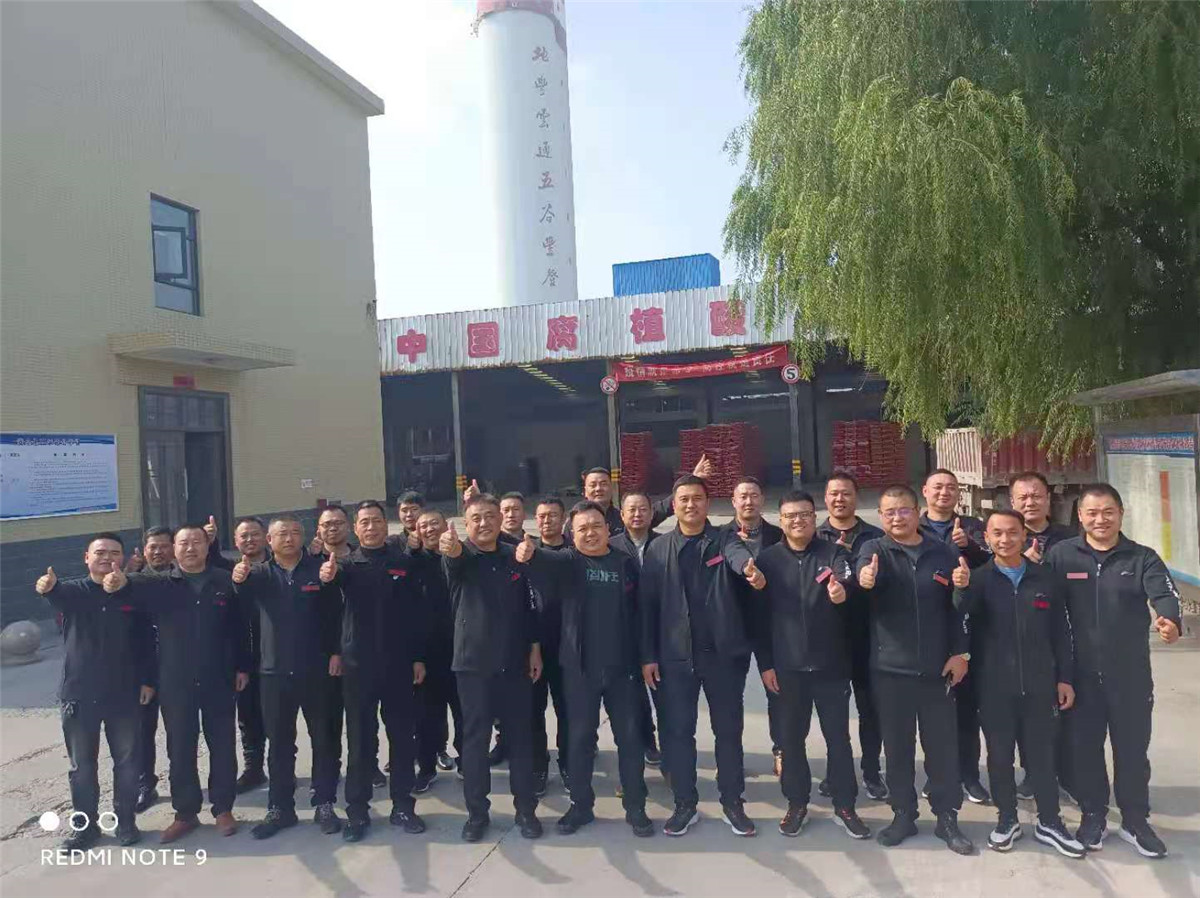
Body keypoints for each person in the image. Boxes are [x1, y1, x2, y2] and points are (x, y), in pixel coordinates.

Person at [1046, 483, 1182, 858]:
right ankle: (1093, 815)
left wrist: (1169, 620)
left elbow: (1165, 594)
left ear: (1121, 514)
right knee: (1085, 750)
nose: (1100, 519)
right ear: (1080, 516)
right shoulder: (1062, 556)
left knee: (1132, 752)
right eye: (1092, 512)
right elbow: (1041, 601)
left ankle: (1135, 821)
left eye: (1108, 512)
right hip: (1079, 677)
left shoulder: (1142, 557)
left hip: (1130, 676)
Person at [105, 525, 250, 843]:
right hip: (175, 679)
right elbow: (128, 592)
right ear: (174, 548)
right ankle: (185, 813)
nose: (190, 548)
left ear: (207, 546)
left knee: (222, 745)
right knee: (180, 747)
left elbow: (240, 628)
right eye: (183, 543)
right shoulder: (157, 584)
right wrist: (118, 582)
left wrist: (242, 666)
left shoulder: (224, 581)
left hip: (218, 677)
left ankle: (223, 809)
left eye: (197, 542)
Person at [517, 502, 654, 837]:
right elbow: (539, 558)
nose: (590, 533)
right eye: (582, 529)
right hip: (579, 670)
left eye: (596, 526)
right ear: (571, 534)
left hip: (623, 670)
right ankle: (580, 806)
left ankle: (636, 806)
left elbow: (643, 615)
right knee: (578, 740)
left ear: (608, 529)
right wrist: (527, 552)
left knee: (630, 740)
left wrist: (646, 657)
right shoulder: (568, 562)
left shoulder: (625, 564)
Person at [955, 509, 1084, 858]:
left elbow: (1062, 633)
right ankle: (1007, 819)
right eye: (997, 533)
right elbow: (961, 624)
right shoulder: (978, 580)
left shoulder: (1046, 578)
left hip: (1041, 686)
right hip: (994, 687)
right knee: (999, 757)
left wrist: (1065, 678)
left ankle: (1050, 821)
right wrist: (960, 592)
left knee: (1042, 755)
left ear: (1025, 536)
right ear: (986, 538)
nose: (1005, 539)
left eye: (1012, 532)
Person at [640, 474, 763, 837]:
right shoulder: (658, 548)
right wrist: (648, 655)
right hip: (674, 658)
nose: (690, 505)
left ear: (708, 504)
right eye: (684, 499)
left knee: (728, 732)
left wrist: (748, 569)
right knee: (678, 733)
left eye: (697, 498)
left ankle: (732, 802)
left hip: (722, 657)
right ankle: (685, 804)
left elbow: (738, 556)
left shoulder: (725, 539)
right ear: (674, 505)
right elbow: (647, 608)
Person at [857, 485, 975, 854]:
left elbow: (958, 609)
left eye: (904, 510)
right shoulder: (875, 550)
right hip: (891, 669)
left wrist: (961, 653)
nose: (897, 517)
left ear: (916, 511)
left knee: (941, 749)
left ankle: (947, 817)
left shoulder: (942, 552)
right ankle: (903, 815)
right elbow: (863, 580)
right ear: (881, 516)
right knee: (898, 749)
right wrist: (865, 579)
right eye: (889, 512)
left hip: (937, 670)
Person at [754, 490, 871, 839]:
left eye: (804, 514)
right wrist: (766, 664)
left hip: (830, 667)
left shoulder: (833, 553)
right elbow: (758, 619)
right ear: (780, 521)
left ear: (814, 517)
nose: (798, 521)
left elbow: (848, 583)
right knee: (791, 740)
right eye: (790, 516)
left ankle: (845, 805)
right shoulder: (768, 560)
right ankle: (797, 803)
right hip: (787, 668)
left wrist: (842, 593)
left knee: (838, 739)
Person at [36, 535, 155, 849]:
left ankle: (125, 822)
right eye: (100, 552)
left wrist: (147, 680)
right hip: (79, 692)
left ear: (123, 558)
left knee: (127, 762)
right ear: (86, 557)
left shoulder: (134, 594)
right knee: (82, 767)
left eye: (114, 552)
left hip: (124, 693)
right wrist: (48, 587)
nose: (107, 557)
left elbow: (146, 641)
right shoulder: (74, 592)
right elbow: (56, 594)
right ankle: (85, 828)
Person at [320, 500, 428, 842]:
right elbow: (330, 606)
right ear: (356, 528)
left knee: (402, 737)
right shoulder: (345, 566)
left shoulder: (402, 562)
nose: (370, 527)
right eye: (364, 522)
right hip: (358, 666)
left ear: (386, 524)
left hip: (398, 663)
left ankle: (403, 805)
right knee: (360, 740)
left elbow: (415, 613)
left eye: (376, 521)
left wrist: (418, 657)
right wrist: (328, 578)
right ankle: (357, 811)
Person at [231, 515, 343, 839]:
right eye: (282, 534)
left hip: (316, 670)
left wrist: (336, 652)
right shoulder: (259, 574)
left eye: (295, 532)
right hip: (274, 672)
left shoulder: (319, 570)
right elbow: (239, 602)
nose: (290, 538)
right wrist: (238, 580)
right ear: (270, 540)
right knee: (279, 743)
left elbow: (335, 615)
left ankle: (324, 803)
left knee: (324, 739)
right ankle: (280, 808)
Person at [440, 494, 544, 842]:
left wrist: (534, 649)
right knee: (475, 742)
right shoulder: (461, 557)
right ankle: (477, 814)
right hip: (473, 666)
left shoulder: (514, 555)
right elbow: (453, 559)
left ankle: (526, 811)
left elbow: (529, 607)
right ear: (466, 524)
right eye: (476, 518)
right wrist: (451, 548)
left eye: (489, 516)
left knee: (520, 739)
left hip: (515, 663)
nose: (483, 523)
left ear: (500, 520)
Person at [921, 468, 991, 805]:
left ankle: (970, 776)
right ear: (925, 491)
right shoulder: (913, 527)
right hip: (928, 627)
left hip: (967, 626)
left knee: (966, 709)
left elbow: (993, 562)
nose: (944, 493)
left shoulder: (974, 527)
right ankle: (937, 775)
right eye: (937, 487)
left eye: (950, 488)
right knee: (934, 712)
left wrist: (970, 547)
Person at [816, 473, 887, 802]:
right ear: (825, 499)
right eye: (833, 494)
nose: (839, 499)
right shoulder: (815, 537)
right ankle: (836, 772)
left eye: (846, 493)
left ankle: (872, 772)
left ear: (856, 498)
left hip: (868, 636)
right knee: (834, 714)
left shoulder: (876, 537)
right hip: (830, 639)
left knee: (871, 710)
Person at [1007, 471, 1077, 802]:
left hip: (1064, 630)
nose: (1030, 502)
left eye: (1036, 495)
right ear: (1012, 502)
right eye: (1022, 497)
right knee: (1029, 710)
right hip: (1023, 637)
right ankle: (1033, 772)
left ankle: (1068, 772)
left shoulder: (1068, 537)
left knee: (1067, 707)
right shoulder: (1005, 538)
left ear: (1048, 499)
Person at [720, 476, 785, 774]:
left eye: (754, 495)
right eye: (743, 496)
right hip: (733, 626)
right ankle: (730, 757)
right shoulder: (720, 537)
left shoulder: (779, 535)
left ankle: (781, 749)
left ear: (762, 499)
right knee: (730, 697)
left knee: (777, 691)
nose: (748, 501)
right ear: (733, 501)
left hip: (772, 625)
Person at [206, 515, 272, 794]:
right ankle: (254, 769)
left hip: (278, 654)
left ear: (266, 537)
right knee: (248, 716)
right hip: (243, 657)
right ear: (235, 541)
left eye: (254, 534)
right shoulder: (229, 570)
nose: (249, 540)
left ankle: (283, 769)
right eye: (243, 536)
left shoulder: (279, 565)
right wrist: (210, 542)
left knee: (279, 717)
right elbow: (209, 563)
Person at [609, 491, 664, 769]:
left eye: (643, 509)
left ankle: (670, 754)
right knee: (634, 699)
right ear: (622, 515)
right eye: (631, 509)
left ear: (652, 514)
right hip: (625, 633)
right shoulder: (611, 547)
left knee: (664, 696)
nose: (637, 514)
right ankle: (647, 743)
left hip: (661, 632)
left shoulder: (664, 544)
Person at [409, 509, 462, 787]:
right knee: (426, 717)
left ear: (446, 526)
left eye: (434, 524)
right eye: (423, 526)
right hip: (426, 655)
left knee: (464, 713)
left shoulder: (460, 557)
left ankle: (467, 761)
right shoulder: (412, 563)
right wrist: (416, 656)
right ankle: (426, 767)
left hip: (462, 650)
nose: (429, 529)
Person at [129, 526, 175, 814]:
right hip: (141, 671)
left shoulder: (181, 580)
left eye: (163, 546)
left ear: (173, 549)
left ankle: (183, 782)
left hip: (177, 669)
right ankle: (145, 784)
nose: (158, 551)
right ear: (143, 551)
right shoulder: (132, 582)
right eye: (152, 547)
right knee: (141, 732)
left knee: (180, 732)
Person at [528, 497, 571, 794]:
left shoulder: (575, 552)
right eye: (542, 516)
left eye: (553, 515)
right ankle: (538, 766)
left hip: (567, 646)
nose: (547, 521)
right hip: (533, 647)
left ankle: (568, 764)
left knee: (567, 711)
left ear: (563, 518)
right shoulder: (525, 553)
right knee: (533, 711)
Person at [564, 457, 713, 542]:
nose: (598, 489)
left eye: (603, 484)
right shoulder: (574, 521)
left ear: (612, 488)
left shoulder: (625, 518)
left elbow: (663, 507)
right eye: (593, 485)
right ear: (585, 491)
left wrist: (692, 480)